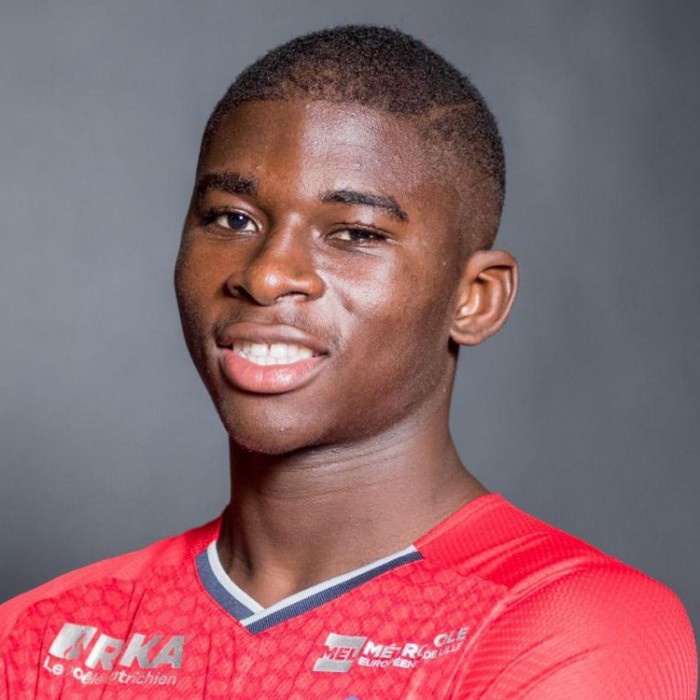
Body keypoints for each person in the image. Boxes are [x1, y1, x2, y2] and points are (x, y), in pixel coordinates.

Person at [0, 25, 696, 699]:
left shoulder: (570, 625)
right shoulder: (42, 634)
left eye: (355, 234)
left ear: (475, 298)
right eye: (233, 219)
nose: (267, 275)